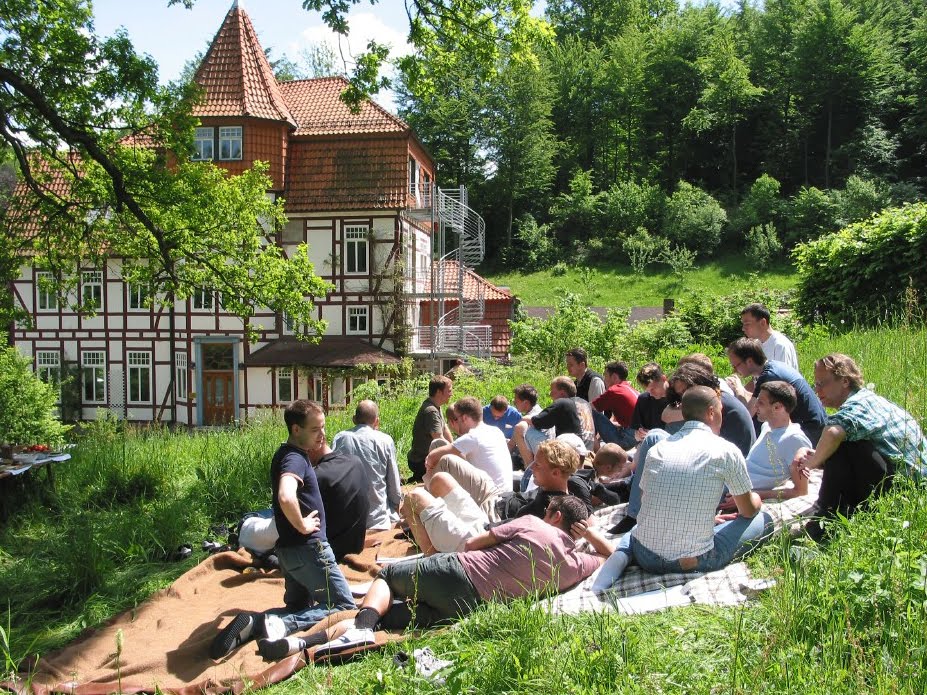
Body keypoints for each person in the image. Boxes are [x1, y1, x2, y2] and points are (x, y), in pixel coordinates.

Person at [261, 495, 612, 658]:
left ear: (552, 514)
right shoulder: (576, 566)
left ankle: (361, 630)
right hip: (471, 607)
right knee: (387, 617)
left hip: (459, 571)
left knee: (386, 577)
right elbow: (610, 557)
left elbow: (474, 542)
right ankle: (301, 644)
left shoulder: (533, 523)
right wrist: (592, 537)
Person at [210, 400, 355, 661]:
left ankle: (255, 624)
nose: (322, 435)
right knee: (343, 605)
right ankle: (267, 624)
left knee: (299, 607)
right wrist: (302, 524)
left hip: (288, 551)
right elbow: (286, 496)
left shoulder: (284, 454)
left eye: (323, 428)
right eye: (315, 430)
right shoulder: (295, 458)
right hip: (310, 550)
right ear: (296, 429)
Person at [593, 387, 771, 591]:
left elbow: (646, 503)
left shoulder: (657, 449)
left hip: (646, 557)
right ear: (712, 412)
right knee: (763, 520)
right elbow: (748, 510)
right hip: (694, 560)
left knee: (635, 531)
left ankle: (618, 561)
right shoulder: (727, 451)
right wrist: (756, 497)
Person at [793, 354, 927, 536]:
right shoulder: (868, 399)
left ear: (845, 381)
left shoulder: (858, 404)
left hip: (907, 490)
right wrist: (820, 455)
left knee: (843, 446)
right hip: (913, 484)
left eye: (822, 383)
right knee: (843, 444)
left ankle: (823, 521)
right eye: (816, 385)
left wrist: (814, 461)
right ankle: (836, 514)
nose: (817, 390)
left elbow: (833, 433)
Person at [406, 439, 589, 553]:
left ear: (556, 473)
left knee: (413, 498)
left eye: (538, 465)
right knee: (440, 478)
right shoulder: (565, 493)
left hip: (481, 533)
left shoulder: (551, 513)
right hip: (488, 518)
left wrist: (585, 532)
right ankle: (424, 522)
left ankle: (430, 560)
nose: (531, 467)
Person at [721, 381, 813, 506]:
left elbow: (801, 491)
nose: (755, 406)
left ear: (777, 407)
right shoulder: (767, 426)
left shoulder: (794, 439)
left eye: (761, 403)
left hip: (735, 493)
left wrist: (751, 496)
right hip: (730, 482)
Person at [725, 337, 826, 444]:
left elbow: (748, 414)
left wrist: (739, 391)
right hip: (814, 423)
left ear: (749, 361)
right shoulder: (771, 366)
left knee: (753, 426)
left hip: (810, 429)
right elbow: (756, 401)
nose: (734, 370)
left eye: (736, 366)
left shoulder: (769, 377)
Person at [332, 399, 402, 530]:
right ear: (377, 421)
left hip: (346, 522)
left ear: (354, 419)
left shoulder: (340, 438)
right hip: (378, 521)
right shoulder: (385, 440)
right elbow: (394, 486)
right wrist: (395, 507)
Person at [311, 420, 372, 560]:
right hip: (356, 544)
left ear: (312, 447)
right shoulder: (355, 462)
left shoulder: (317, 476)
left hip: (331, 551)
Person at [425, 396, 513, 491]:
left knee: (441, 451)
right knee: (443, 450)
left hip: (489, 498)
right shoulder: (496, 431)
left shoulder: (472, 437)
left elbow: (431, 457)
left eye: (457, 419)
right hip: (505, 493)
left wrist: (430, 468)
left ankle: (431, 495)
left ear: (464, 418)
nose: (456, 423)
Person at [512, 376, 582, 468]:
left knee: (522, 429)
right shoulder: (578, 403)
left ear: (562, 393)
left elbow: (540, 422)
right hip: (579, 447)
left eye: (552, 391)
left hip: (567, 448)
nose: (550, 394)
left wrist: (526, 418)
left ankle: (531, 470)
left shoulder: (562, 402)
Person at [407, 375, 454, 483]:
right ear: (439, 392)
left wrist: (454, 447)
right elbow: (439, 440)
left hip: (424, 459)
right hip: (421, 462)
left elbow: (445, 429)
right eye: (449, 391)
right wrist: (456, 454)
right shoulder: (431, 411)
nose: (451, 394)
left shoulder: (436, 406)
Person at [591, 361, 639, 450]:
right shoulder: (629, 388)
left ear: (614, 377)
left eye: (605, 376)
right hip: (638, 436)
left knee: (590, 413)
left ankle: (593, 448)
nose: (603, 380)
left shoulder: (614, 390)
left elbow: (589, 407)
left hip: (626, 440)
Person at [740, 303, 799, 370]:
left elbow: (783, 379)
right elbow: (756, 379)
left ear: (763, 322)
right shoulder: (757, 344)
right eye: (743, 324)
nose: (743, 328)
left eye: (747, 324)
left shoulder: (780, 345)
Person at [630, 363, 669, 440]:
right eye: (647, 391)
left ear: (663, 379)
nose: (651, 394)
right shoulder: (643, 399)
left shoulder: (678, 397)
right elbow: (636, 434)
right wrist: (639, 435)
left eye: (653, 389)